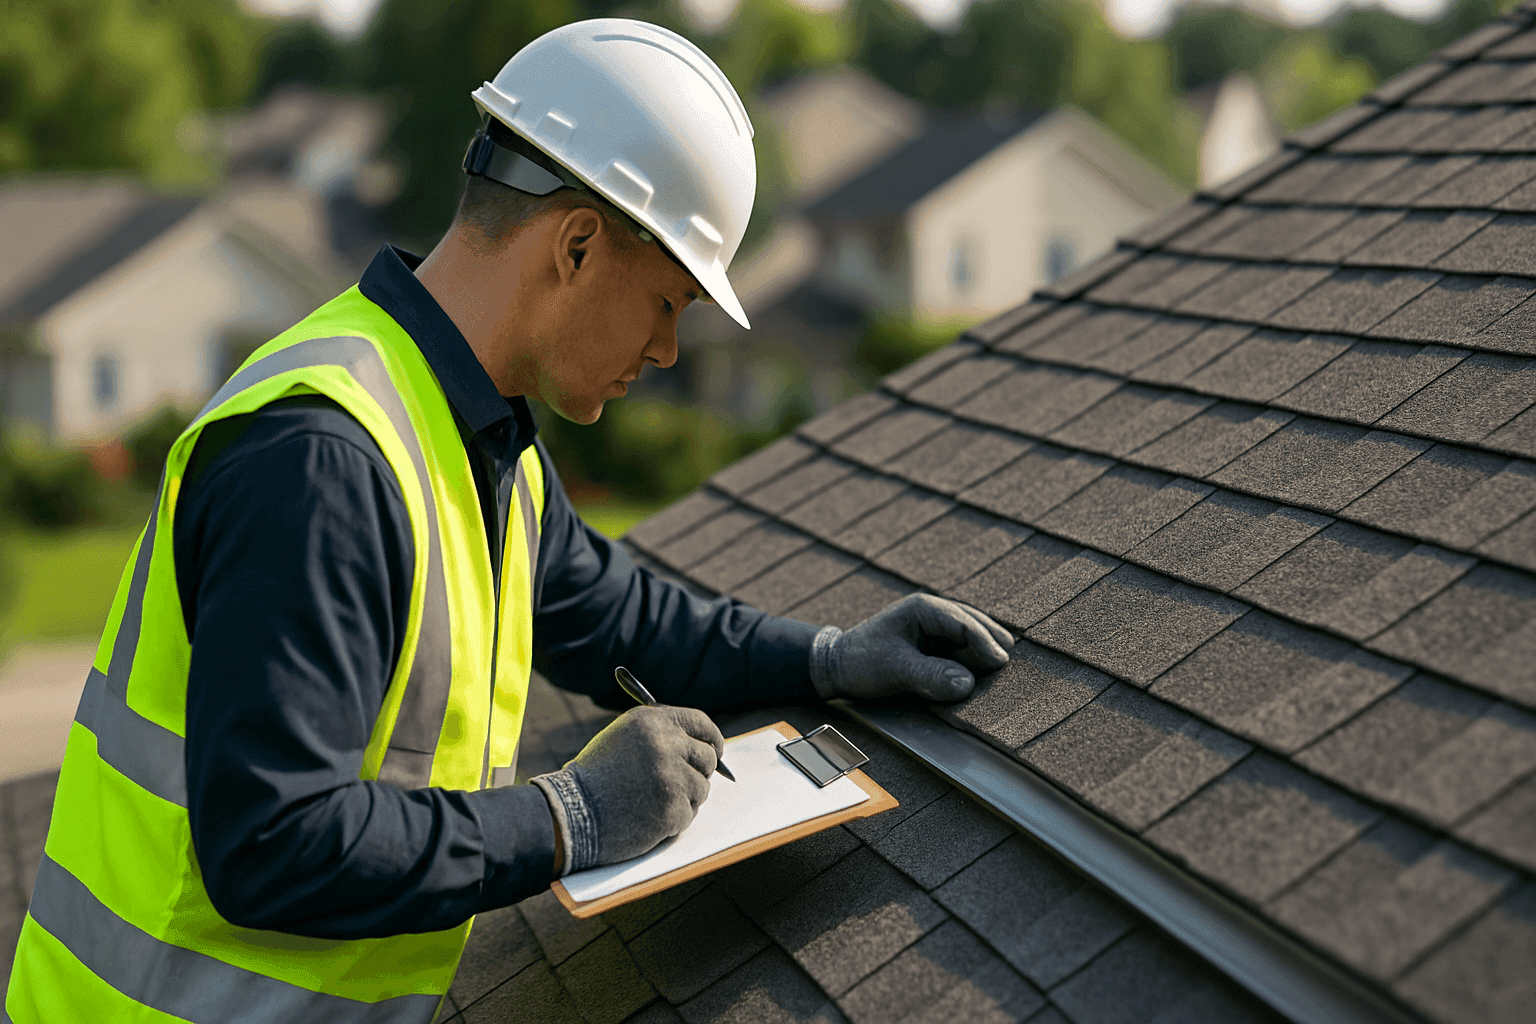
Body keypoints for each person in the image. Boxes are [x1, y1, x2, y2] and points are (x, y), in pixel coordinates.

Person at [5, 18, 1012, 1023]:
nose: (667, 350)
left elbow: (629, 620)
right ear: (575, 244)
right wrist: (568, 815)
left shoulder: (483, 445)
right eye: (667, 302)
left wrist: (832, 657)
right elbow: (272, 845)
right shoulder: (322, 462)